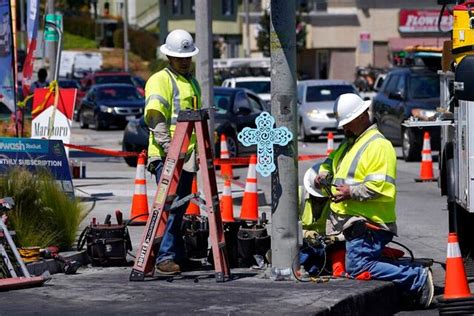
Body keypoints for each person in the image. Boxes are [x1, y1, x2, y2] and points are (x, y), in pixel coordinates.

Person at [312, 93, 434, 308]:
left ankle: (417, 277)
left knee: (358, 266)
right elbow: (329, 162)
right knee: (337, 261)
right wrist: (323, 175)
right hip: (351, 220)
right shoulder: (349, 143)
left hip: (371, 222)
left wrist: (350, 192)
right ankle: (393, 264)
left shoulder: (378, 146)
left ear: (361, 117)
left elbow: (379, 186)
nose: (343, 129)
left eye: (347, 123)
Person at [144, 29, 201, 275]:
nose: (185, 61)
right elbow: (156, 117)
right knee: (168, 207)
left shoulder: (191, 81)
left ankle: (175, 253)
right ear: (169, 57)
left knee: (178, 208)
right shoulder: (160, 80)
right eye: (181, 57)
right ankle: (165, 257)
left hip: (185, 157)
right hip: (168, 155)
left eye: (187, 57)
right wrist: (169, 149)